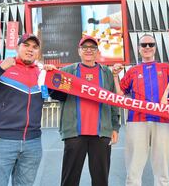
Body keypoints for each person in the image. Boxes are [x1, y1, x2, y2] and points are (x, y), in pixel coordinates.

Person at [0, 33, 44, 186]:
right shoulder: (0, 66)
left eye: (35, 47)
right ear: (18, 47)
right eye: (26, 45)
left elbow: (62, 95)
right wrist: (0, 69)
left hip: (32, 143)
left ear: (38, 52)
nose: (30, 49)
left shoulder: (42, 73)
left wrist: (53, 77)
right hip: (1, 141)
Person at [112, 34, 169, 186]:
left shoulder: (166, 67)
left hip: (163, 121)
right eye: (143, 45)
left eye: (150, 44)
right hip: (137, 122)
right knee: (134, 169)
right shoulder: (132, 71)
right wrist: (114, 76)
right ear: (138, 49)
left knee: (162, 169)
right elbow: (119, 94)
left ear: (155, 48)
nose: (147, 48)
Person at [49, 36, 121, 186]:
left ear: (97, 52)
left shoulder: (106, 72)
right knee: (69, 179)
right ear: (79, 51)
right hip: (74, 133)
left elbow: (113, 100)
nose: (89, 50)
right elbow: (57, 95)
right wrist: (51, 77)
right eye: (85, 47)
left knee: (101, 180)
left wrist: (115, 127)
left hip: (101, 133)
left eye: (92, 48)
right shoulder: (68, 71)